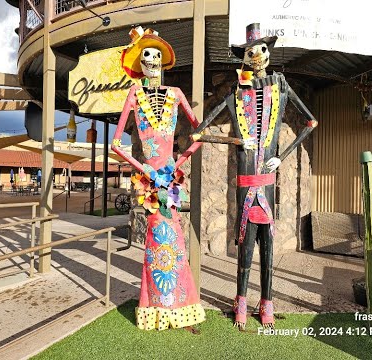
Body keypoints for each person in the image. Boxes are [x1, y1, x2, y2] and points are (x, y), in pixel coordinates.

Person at [192, 23, 318, 330]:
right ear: (245, 57)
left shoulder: (282, 86)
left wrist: (283, 156)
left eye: (262, 49)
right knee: (246, 248)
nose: (258, 55)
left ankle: (267, 306)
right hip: (246, 185)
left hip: (268, 184)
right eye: (252, 51)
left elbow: (311, 122)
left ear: (268, 52)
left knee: (269, 249)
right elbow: (198, 132)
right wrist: (237, 141)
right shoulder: (238, 92)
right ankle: (241, 303)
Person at [112, 26, 205, 332]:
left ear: (164, 61)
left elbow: (199, 134)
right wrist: (144, 168)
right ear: (139, 62)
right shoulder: (134, 94)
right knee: (154, 237)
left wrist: (178, 160)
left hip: (171, 176)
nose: (150, 59)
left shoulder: (176, 95)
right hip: (148, 178)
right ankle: (155, 307)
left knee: (175, 234)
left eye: (156, 54)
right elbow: (116, 144)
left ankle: (179, 305)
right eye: (146, 54)